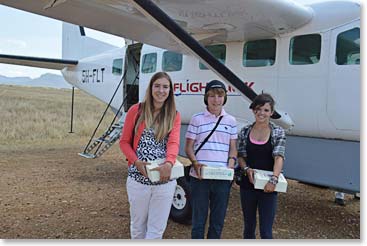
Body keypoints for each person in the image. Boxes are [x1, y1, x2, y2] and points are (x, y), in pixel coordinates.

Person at [119, 71, 181, 239]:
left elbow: (173, 143)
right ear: (151, 88)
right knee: (138, 227)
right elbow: (124, 142)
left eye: (165, 87)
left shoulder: (173, 114)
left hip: (164, 179)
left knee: (156, 229)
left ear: (170, 90)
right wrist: (136, 162)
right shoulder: (136, 110)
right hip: (138, 178)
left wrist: (169, 163)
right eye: (157, 86)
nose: (161, 90)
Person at [185, 80, 237, 239]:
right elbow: (188, 147)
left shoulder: (231, 121)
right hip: (200, 177)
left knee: (217, 221)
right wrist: (195, 162)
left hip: (222, 178)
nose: (216, 99)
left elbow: (233, 148)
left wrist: (231, 166)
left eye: (220, 95)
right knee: (198, 221)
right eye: (212, 96)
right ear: (206, 98)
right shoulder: (196, 119)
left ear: (225, 98)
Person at [237, 93, 286, 239]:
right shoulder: (245, 131)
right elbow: (241, 156)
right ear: (253, 110)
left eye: (265, 110)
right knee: (249, 228)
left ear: (271, 112)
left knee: (266, 231)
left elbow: (279, 157)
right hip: (248, 186)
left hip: (268, 187)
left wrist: (273, 180)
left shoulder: (278, 132)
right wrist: (246, 169)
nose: (261, 113)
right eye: (258, 109)